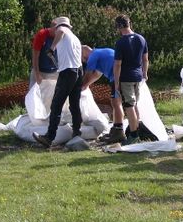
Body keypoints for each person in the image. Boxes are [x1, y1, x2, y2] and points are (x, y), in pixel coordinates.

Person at [32, 17, 83, 148]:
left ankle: (49, 138)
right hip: (78, 71)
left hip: (67, 72)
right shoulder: (75, 38)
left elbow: (60, 32)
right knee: (74, 104)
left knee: (56, 104)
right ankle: (77, 132)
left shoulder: (61, 29)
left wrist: (52, 48)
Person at [113, 14, 155, 142]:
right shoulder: (141, 39)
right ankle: (136, 129)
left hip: (126, 77)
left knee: (129, 106)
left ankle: (134, 135)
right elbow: (145, 59)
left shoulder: (120, 42)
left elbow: (118, 64)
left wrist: (116, 82)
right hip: (138, 76)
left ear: (119, 27)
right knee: (135, 104)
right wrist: (145, 73)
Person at [81, 46, 125, 143]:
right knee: (117, 103)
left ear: (84, 52)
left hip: (118, 78)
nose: (83, 60)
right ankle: (117, 128)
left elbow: (88, 74)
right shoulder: (100, 53)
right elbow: (97, 74)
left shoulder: (92, 56)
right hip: (123, 75)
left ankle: (118, 131)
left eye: (82, 57)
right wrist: (86, 85)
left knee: (116, 103)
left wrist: (82, 85)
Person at [30, 19, 58, 86]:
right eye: (56, 29)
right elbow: (35, 56)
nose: (58, 32)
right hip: (40, 71)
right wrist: (37, 74)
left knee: (52, 95)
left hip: (55, 72)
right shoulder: (41, 35)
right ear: (52, 28)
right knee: (34, 94)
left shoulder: (61, 36)